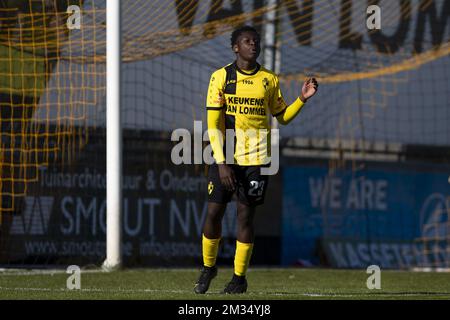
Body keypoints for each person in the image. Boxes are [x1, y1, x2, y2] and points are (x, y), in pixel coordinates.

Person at [194, 25, 318, 294]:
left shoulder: (269, 80)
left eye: (257, 41)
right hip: (225, 156)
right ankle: (208, 267)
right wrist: (223, 162)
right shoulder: (220, 77)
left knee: (245, 217)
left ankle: (239, 278)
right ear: (235, 47)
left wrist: (301, 99)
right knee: (214, 212)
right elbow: (213, 124)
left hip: (256, 159)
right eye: (247, 41)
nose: (254, 45)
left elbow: (282, 116)